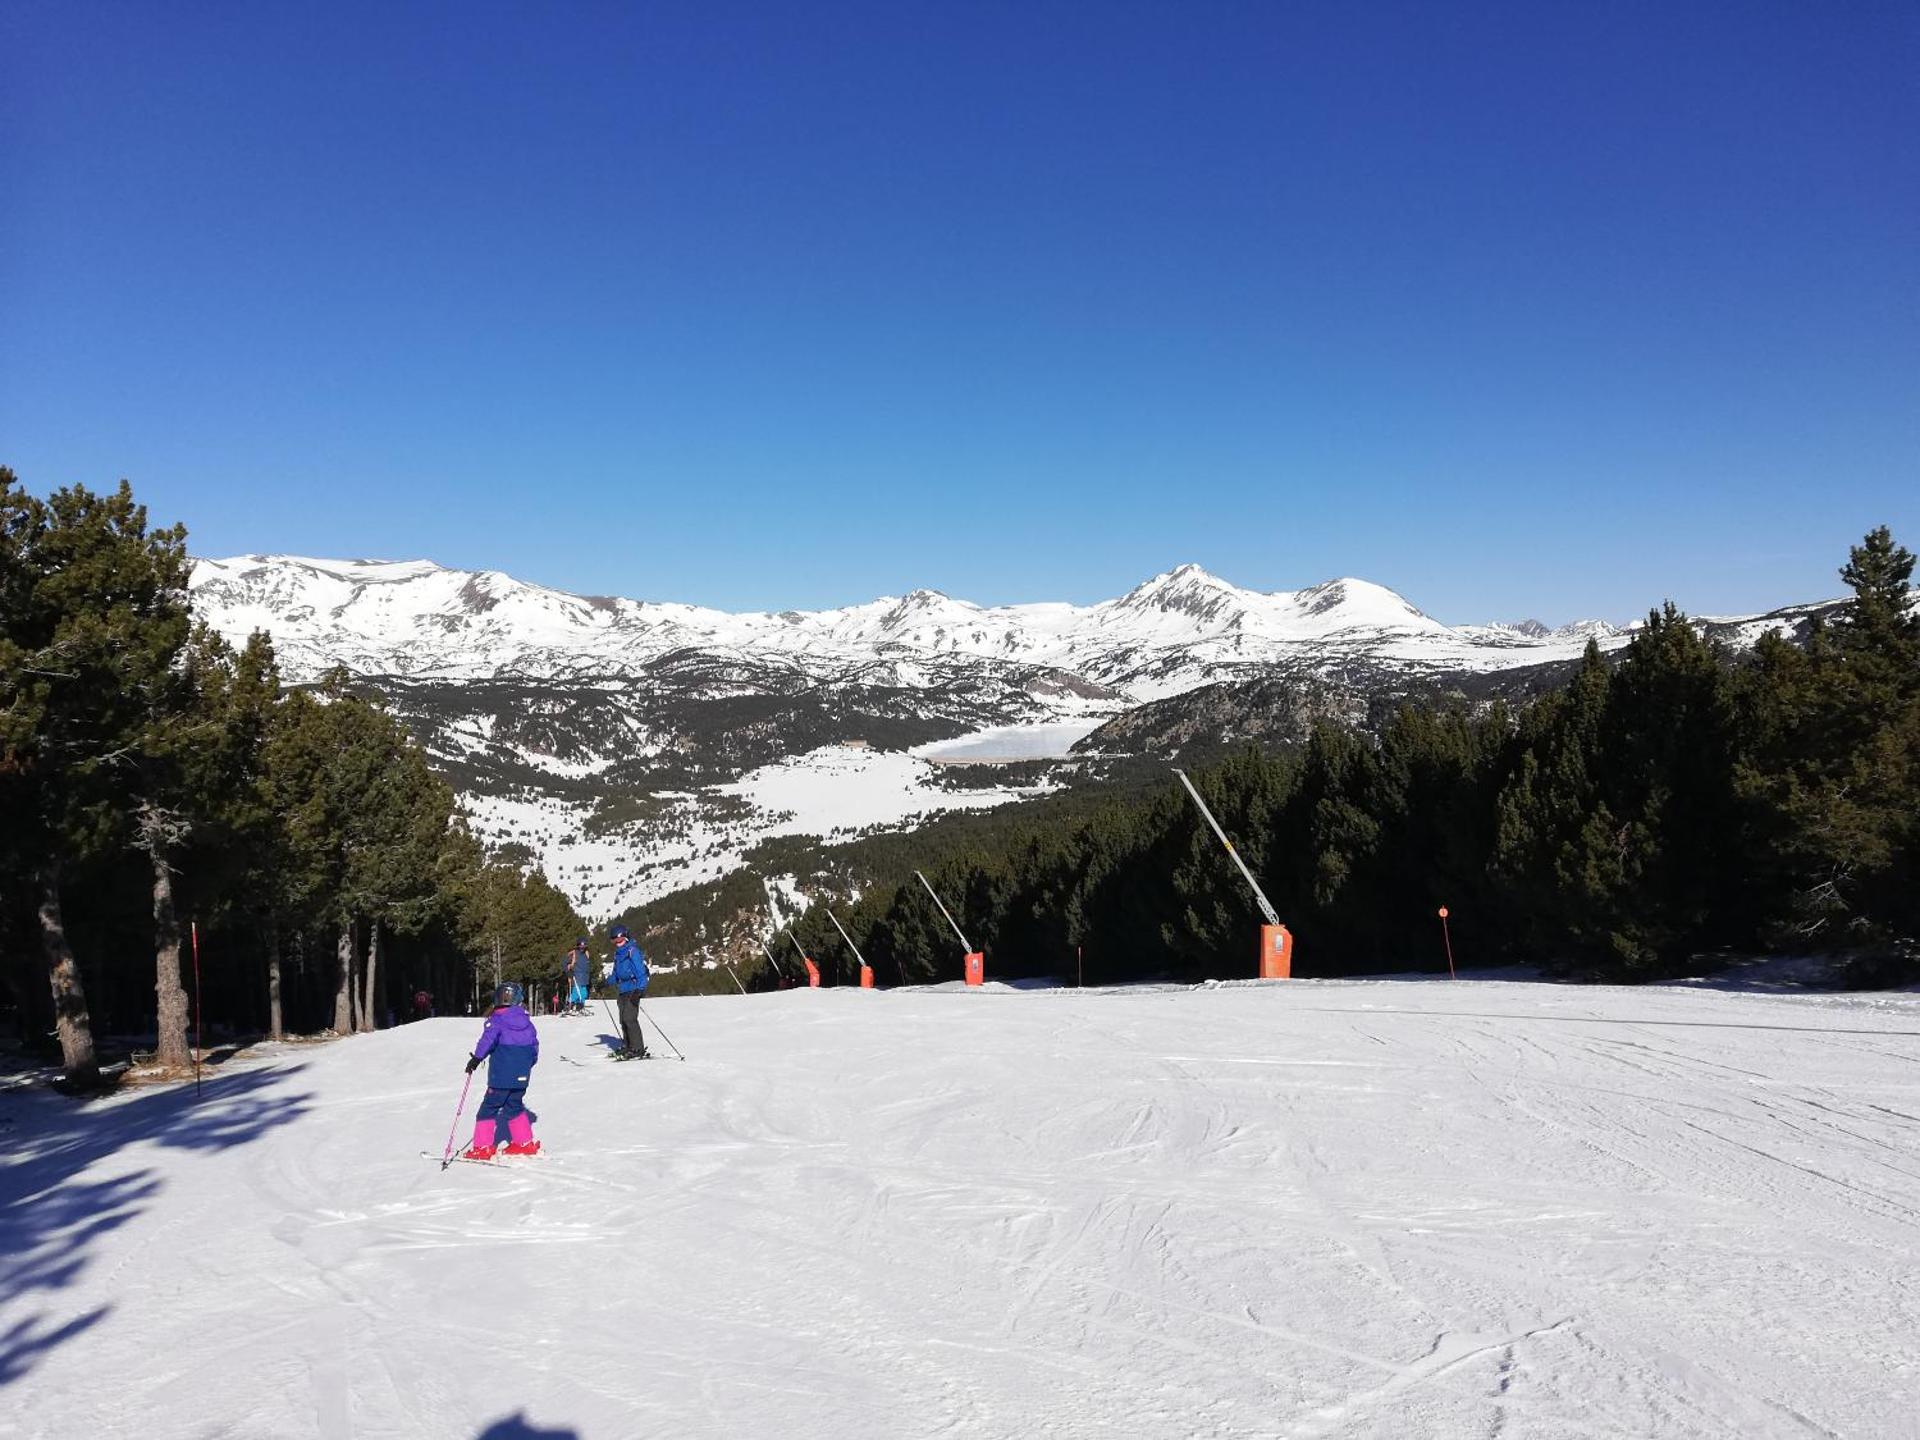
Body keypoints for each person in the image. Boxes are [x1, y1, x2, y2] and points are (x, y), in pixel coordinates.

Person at [462, 982, 541, 1158]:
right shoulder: (527, 1023)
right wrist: (525, 1065)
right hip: (522, 1077)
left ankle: (482, 1147)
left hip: (501, 1077)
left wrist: (476, 1058)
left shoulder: (496, 1020)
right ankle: (524, 1142)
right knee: (514, 1106)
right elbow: (534, 1049)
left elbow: (487, 1041)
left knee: (488, 1108)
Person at [608, 923, 649, 1059]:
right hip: (623, 990)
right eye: (615, 941)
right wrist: (605, 982)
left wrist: (640, 990)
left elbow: (641, 972)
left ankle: (638, 1048)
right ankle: (628, 1046)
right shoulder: (618, 954)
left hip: (633, 989)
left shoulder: (633, 951)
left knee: (630, 1019)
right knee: (623, 1020)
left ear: (626, 938)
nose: (617, 943)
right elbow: (616, 974)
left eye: (619, 940)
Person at [564, 937, 592, 1015]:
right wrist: (568, 972)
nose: (582, 948)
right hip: (576, 977)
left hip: (584, 978)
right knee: (576, 993)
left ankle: (580, 1007)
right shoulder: (573, 954)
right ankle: (569, 1006)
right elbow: (565, 963)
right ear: (578, 946)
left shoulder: (586, 954)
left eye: (584, 947)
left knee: (584, 993)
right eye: (580, 947)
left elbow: (587, 966)